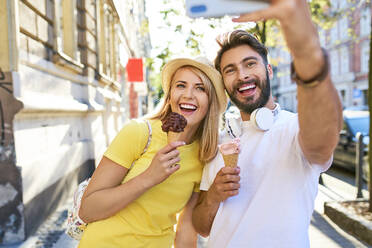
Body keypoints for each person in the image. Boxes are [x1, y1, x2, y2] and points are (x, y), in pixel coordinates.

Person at [192, 0, 343, 247]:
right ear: (224, 82)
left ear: (269, 71)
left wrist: (305, 47)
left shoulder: (295, 129)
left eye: (250, 63)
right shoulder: (220, 141)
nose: (242, 75)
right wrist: (213, 198)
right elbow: (202, 227)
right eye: (230, 70)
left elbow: (322, 142)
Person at [77, 57, 227, 248]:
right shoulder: (139, 132)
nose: (188, 95)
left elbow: (185, 231)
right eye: (181, 85)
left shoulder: (205, 155)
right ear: (170, 94)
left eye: (200, 88)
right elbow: (88, 210)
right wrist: (149, 177)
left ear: (211, 101)